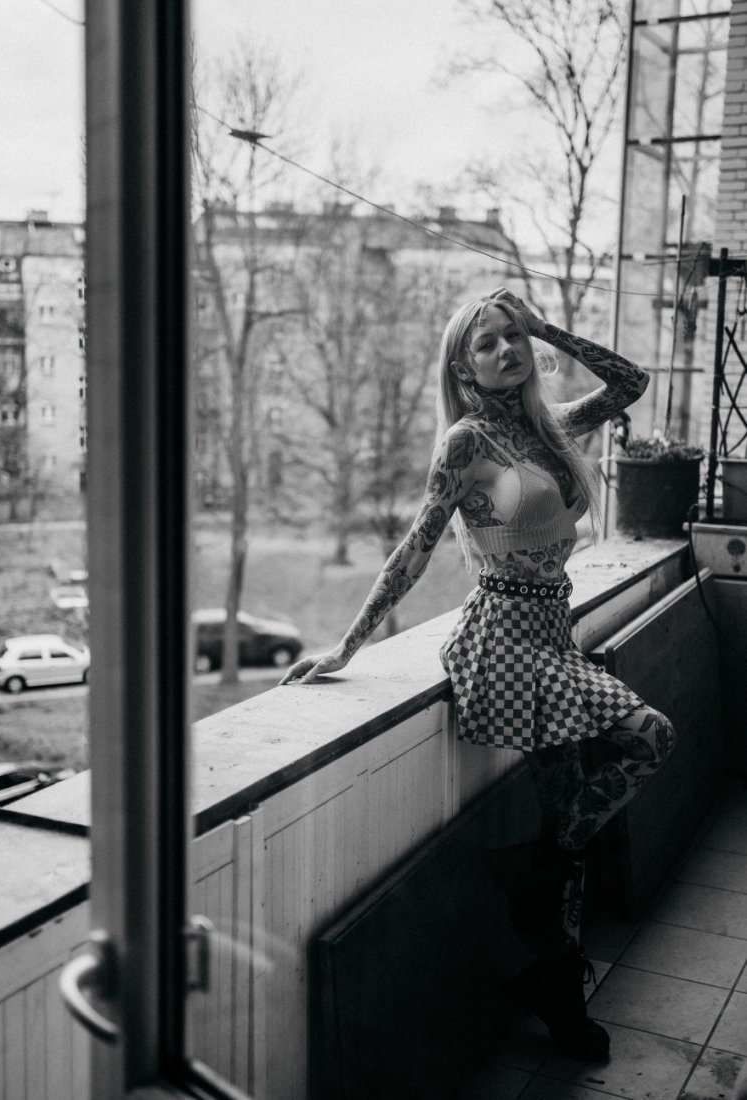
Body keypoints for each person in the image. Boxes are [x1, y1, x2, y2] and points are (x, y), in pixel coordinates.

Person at [280, 286, 676, 1063]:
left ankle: (556, 982)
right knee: (651, 736)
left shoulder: (546, 429)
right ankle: (545, 909)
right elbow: (415, 547)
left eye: (513, 336)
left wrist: (546, 325)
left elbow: (631, 382)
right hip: (502, 641)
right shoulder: (466, 444)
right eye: (487, 343)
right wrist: (347, 648)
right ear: (463, 369)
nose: (507, 350)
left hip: (553, 634)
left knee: (568, 821)